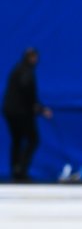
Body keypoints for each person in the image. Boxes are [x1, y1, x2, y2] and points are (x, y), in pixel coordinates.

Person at [3, 48, 52, 181]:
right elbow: (27, 93)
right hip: (21, 112)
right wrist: (40, 109)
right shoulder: (26, 72)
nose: (34, 60)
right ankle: (21, 170)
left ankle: (16, 170)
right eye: (32, 57)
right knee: (32, 139)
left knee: (17, 140)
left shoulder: (18, 69)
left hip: (10, 110)